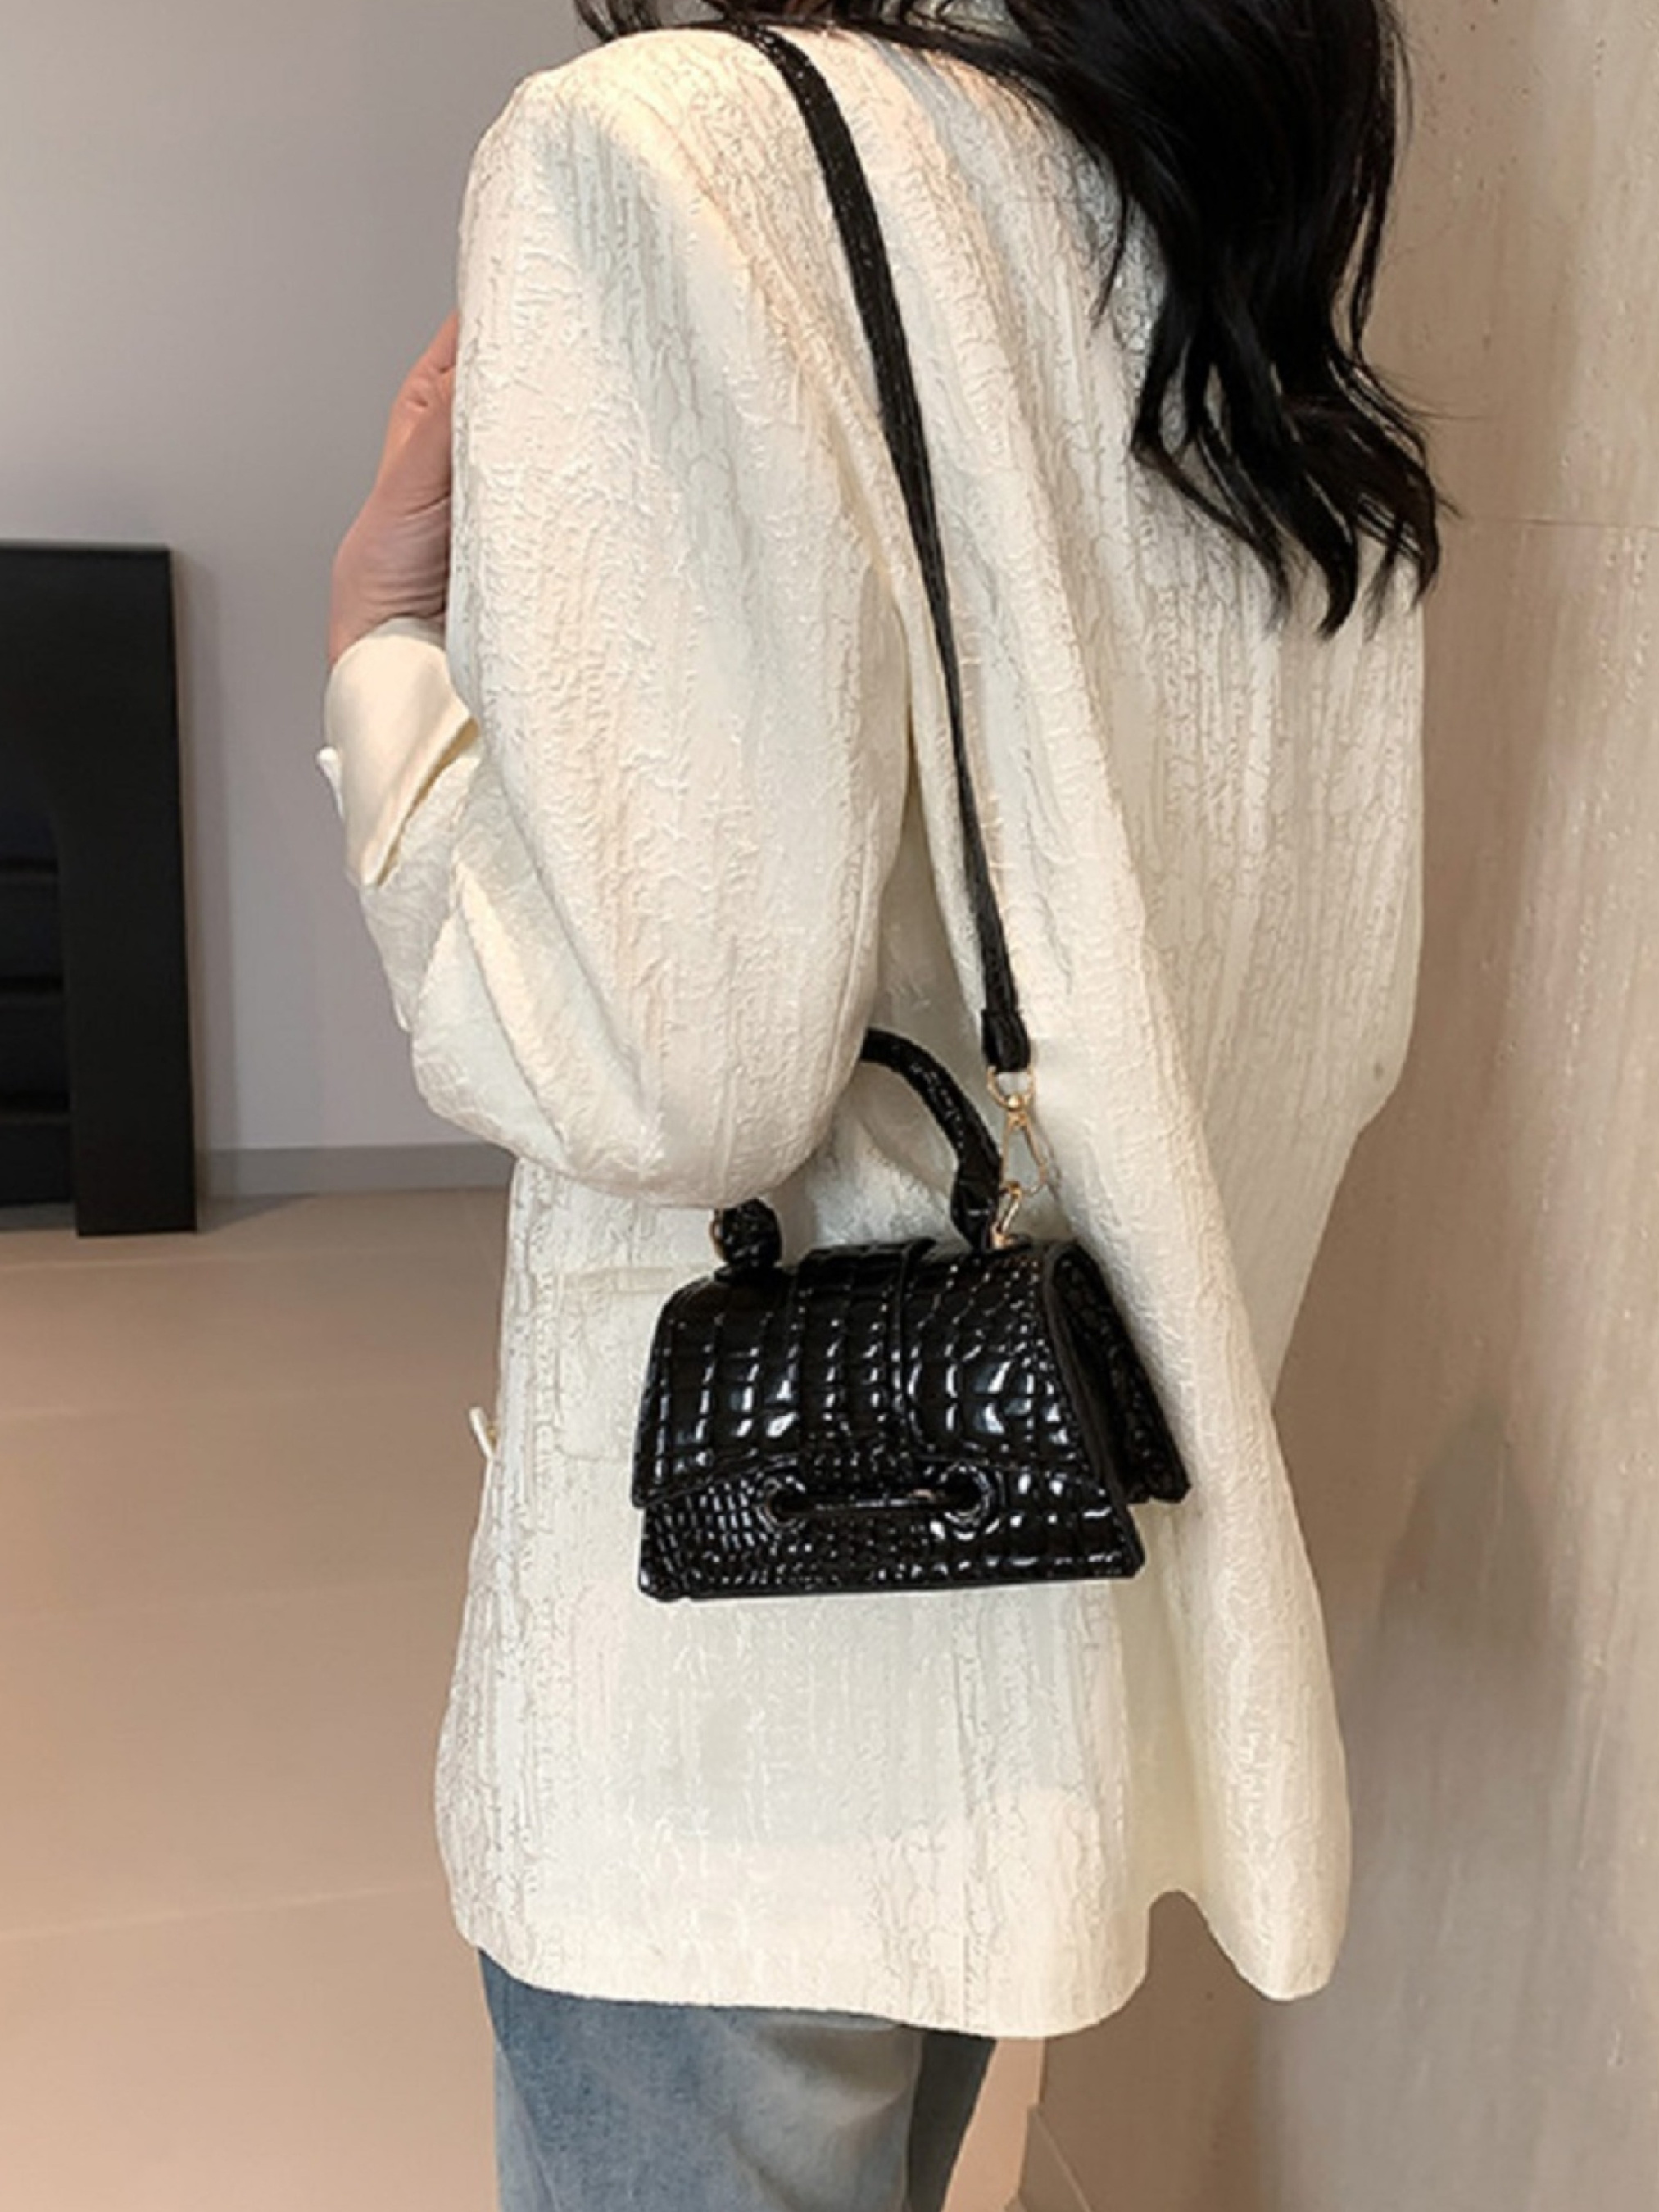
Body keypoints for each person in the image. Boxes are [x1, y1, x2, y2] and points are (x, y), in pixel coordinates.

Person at [320, 1, 1440, 2205]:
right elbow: (1322, 989)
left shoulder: (661, 154)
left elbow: (668, 1071)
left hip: (737, 1713)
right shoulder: (1210, 221)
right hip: (1046, 1544)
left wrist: (380, 655)